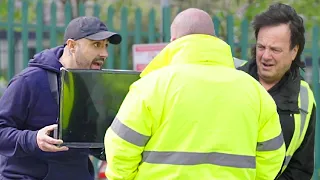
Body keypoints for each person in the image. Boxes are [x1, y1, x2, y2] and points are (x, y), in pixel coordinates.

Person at [104, 8, 285, 180]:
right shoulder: (255, 92)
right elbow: (273, 155)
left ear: (174, 40)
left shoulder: (151, 87)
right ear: (214, 39)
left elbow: (121, 148)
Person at [0, 16, 121, 180]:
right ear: (72, 45)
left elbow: (89, 141)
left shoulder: (94, 84)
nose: (104, 53)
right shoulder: (29, 81)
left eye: (106, 46)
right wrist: (33, 139)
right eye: (96, 45)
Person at [235, 3, 316, 180]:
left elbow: (300, 169)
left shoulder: (303, 99)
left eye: (275, 50)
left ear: (294, 51)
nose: (265, 56)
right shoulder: (232, 79)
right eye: (261, 47)